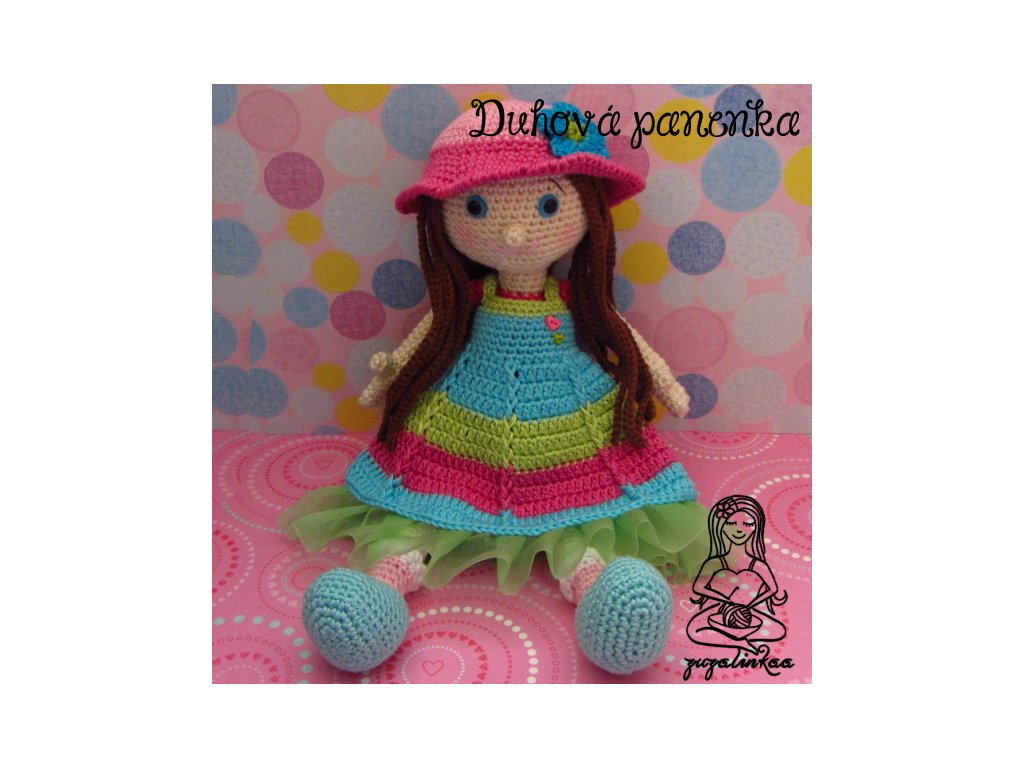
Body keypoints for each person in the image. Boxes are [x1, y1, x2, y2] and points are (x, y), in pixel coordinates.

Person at [282, 99, 708, 676]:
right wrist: (390, 372)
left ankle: (601, 587)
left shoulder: (574, 302)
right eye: (477, 207)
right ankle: (381, 585)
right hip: (467, 419)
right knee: (431, 497)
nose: (513, 230)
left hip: (569, 420)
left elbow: (623, 334)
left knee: (580, 503)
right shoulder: (472, 300)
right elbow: (428, 333)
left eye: (549, 204)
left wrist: (664, 382)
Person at [686, 495, 788, 657]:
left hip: (749, 615)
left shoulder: (756, 563)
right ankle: (743, 643)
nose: (739, 529)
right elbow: (699, 588)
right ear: (720, 526)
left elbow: (773, 589)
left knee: (778, 630)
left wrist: (749, 604)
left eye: (747, 524)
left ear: (756, 527)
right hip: (719, 614)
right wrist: (727, 600)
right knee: (694, 629)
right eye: (732, 523)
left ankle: (740, 640)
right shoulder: (714, 561)